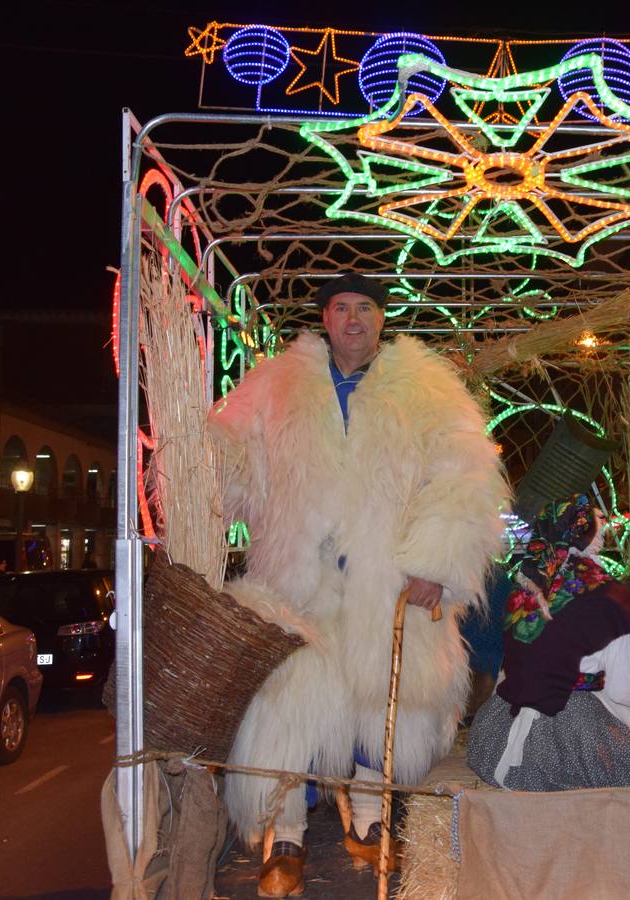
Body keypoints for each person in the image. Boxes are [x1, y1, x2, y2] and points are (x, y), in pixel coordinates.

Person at [209, 273, 510, 896]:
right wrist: (211, 452)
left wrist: (436, 564)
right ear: (324, 319)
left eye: (364, 307)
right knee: (288, 702)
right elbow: (232, 465)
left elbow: (467, 476)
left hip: (388, 581)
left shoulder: (427, 390)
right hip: (300, 583)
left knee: (385, 697)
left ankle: (371, 822)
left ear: (380, 319)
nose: (352, 319)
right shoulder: (275, 385)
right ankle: (285, 836)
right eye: (341, 307)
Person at [466, 494, 630, 790]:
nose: (603, 528)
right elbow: (625, 690)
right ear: (589, 535)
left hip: (499, 733)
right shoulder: (609, 595)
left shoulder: (523, 590)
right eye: (598, 524)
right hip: (575, 735)